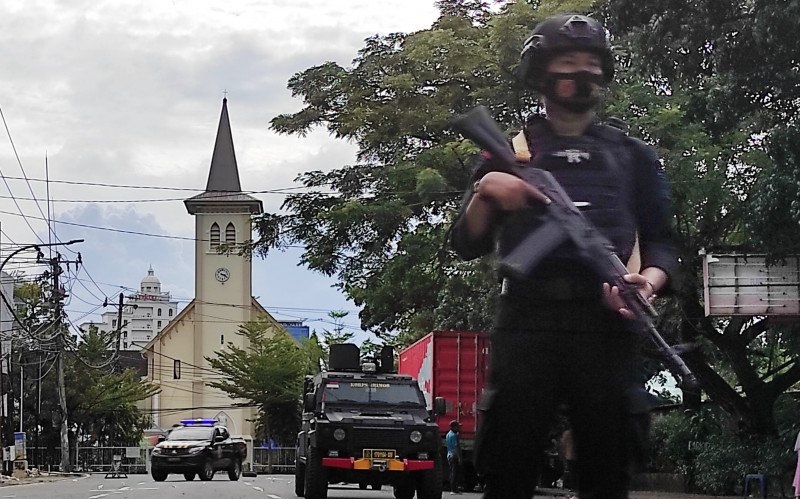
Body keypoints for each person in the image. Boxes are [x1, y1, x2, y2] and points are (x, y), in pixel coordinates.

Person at [449, 12, 678, 499]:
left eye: (591, 63)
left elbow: (662, 243)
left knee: (609, 467)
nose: (581, 73)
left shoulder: (632, 155)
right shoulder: (511, 151)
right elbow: (466, 245)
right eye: (567, 61)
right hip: (527, 319)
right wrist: (486, 193)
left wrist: (649, 281)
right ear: (541, 69)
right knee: (508, 463)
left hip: (607, 323)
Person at [446, 420, 463, 494]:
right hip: (454, 456)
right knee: (455, 473)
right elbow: (456, 447)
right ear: (454, 427)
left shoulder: (448, 434)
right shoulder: (454, 435)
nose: (459, 428)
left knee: (452, 472)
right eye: (457, 426)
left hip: (449, 455)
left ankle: (453, 488)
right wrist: (460, 458)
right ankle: (454, 489)